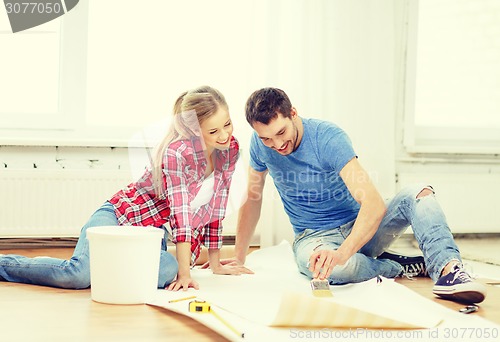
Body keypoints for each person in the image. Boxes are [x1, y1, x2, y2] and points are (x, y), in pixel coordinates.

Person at [227, 87, 486, 304]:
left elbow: (372, 204)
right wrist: (239, 256)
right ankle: (393, 267)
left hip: (359, 227)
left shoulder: (328, 138)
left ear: (293, 113)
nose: (277, 145)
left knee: (421, 193)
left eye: (281, 133)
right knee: (327, 269)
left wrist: (344, 251)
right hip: (314, 238)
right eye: (267, 139)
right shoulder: (260, 145)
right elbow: (253, 197)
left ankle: (450, 270)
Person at [0, 85, 251, 291]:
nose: (224, 136)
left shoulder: (229, 151)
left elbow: (216, 206)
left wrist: (215, 263)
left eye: (227, 124)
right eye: (213, 130)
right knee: (76, 277)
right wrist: (186, 274)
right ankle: (5, 265)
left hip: (149, 237)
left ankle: (104, 267)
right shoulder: (177, 154)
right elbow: (181, 215)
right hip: (118, 217)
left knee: (167, 269)